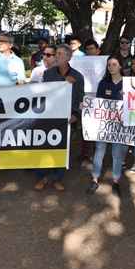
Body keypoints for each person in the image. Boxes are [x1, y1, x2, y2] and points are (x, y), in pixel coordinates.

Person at [34, 44, 84, 191]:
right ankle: (42, 177)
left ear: (68, 57)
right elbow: (48, 93)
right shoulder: (49, 74)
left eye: (60, 54)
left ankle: (57, 178)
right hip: (49, 118)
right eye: (56, 54)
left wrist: (75, 114)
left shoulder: (78, 77)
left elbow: (80, 98)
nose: (56, 56)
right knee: (44, 147)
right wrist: (64, 83)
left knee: (62, 149)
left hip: (67, 120)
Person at [86, 53, 127, 197]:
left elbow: (134, 105)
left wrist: (127, 96)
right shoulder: (103, 83)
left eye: (114, 64)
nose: (111, 67)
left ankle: (116, 182)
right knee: (99, 152)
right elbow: (97, 103)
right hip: (103, 125)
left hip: (119, 125)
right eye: (109, 65)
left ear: (120, 65)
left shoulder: (128, 83)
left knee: (117, 154)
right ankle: (95, 180)